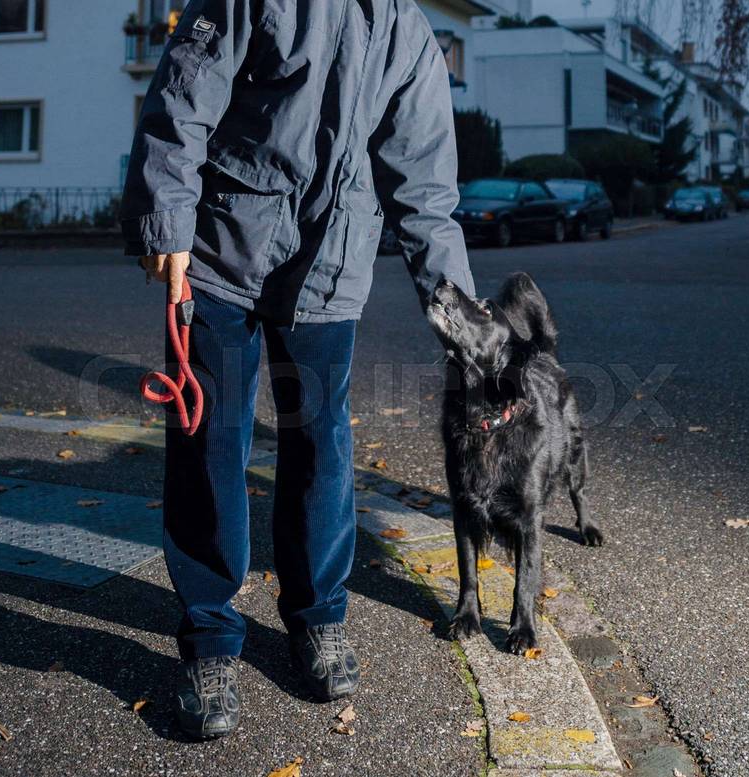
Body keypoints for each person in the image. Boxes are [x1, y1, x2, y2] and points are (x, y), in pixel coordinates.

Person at [120, 0, 474, 740]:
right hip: (219, 253)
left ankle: (318, 616)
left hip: (331, 267)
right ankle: (210, 636)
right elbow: (184, 91)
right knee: (211, 441)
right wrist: (166, 215)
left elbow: (425, 187)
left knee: (321, 445)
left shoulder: (410, 34)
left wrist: (460, 316)